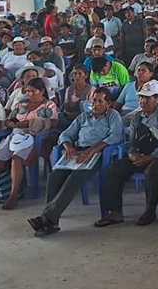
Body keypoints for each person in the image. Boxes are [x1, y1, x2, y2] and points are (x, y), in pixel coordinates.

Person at [27, 89, 124, 237]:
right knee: (55, 176)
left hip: (98, 153)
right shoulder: (84, 116)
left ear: (108, 103)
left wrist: (91, 151)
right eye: (94, 101)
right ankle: (53, 221)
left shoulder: (112, 116)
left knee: (73, 180)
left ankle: (46, 218)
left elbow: (115, 137)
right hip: (77, 151)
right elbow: (66, 134)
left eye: (100, 101)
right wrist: (68, 146)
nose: (95, 104)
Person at [96, 80, 158, 227]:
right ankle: (115, 213)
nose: (142, 101)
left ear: (157, 99)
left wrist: (151, 157)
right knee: (112, 170)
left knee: (152, 172)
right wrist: (131, 153)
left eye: (147, 98)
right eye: (140, 97)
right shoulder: (137, 116)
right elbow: (132, 141)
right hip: (140, 154)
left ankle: (150, 211)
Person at [0, 76, 57, 209]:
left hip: (34, 137)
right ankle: (13, 184)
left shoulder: (49, 105)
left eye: (34, 91)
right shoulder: (21, 103)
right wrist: (11, 123)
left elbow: (53, 122)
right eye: (28, 91)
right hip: (15, 135)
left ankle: (13, 196)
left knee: (16, 160)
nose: (30, 94)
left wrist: (30, 123)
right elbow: (9, 119)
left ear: (42, 91)